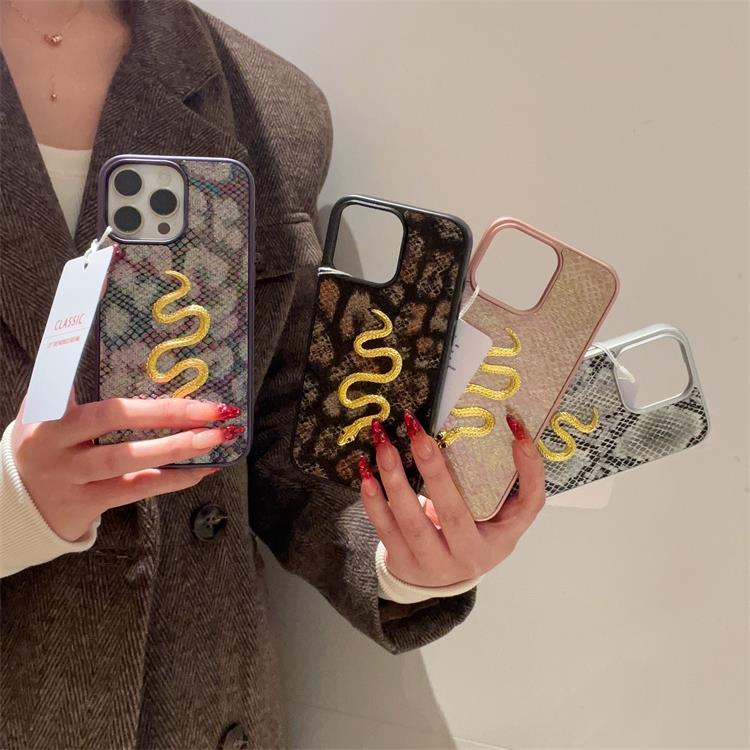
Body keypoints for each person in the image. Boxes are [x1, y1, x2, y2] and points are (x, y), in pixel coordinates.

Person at [0, 1, 546, 747]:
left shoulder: (271, 107)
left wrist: (406, 550)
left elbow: (283, 427)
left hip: (196, 708)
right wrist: (14, 506)